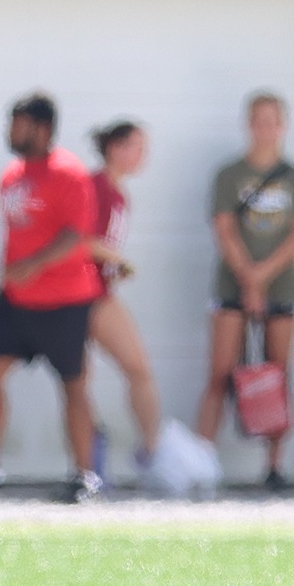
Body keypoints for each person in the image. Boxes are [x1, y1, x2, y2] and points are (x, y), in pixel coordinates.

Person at [0, 92, 106, 503]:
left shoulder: (69, 173)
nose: (11, 131)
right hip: (15, 301)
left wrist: (33, 265)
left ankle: (85, 476)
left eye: (19, 123)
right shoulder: (11, 175)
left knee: (74, 385)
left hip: (64, 301)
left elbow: (76, 234)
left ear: (43, 128)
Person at [197, 93, 294, 490]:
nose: (265, 129)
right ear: (248, 125)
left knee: (277, 372)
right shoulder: (229, 175)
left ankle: (274, 465)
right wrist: (248, 278)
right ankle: (202, 458)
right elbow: (224, 229)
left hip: (282, 285)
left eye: (273, 121)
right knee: (219, 371)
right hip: (232, 284)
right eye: (258, 121)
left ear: (283, 126)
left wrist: (263, 276)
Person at [84, 121, 178, 483]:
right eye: (137, 147)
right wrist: (119, 260)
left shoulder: (119, 193)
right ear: (115, 148)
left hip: (101, 290)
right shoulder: (96, 187)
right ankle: (95, 457)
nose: (143, 156)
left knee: (137, 369)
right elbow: (82, 238)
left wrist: (113, 266)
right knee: (84, 379)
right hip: (83, 295)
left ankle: (150, 448)